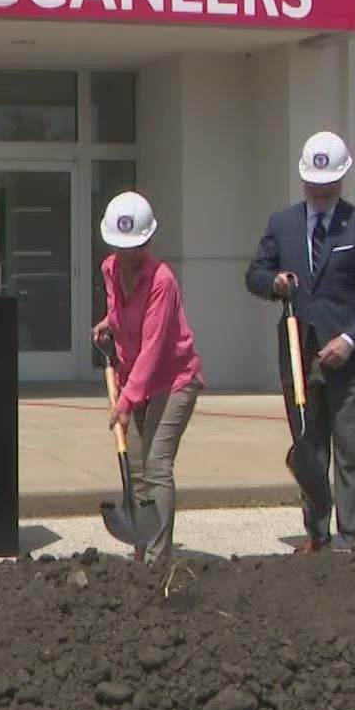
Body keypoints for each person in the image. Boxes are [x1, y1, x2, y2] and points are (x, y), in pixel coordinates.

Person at [244, 130, 355, 553]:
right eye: (313, 181)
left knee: (350, 448)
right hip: (299, 354)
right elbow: (255, 274)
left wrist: (350, 339)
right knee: (310, 447)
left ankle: (351, 536)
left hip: (350, 360)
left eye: (327, 182)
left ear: (342, 178)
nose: (319, 188)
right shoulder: (283, 224)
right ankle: (317, 534)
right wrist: (274, 282)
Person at [90, 190, 205, 567]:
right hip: (133, 377)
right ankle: (140, 550)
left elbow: (155, 347)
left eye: (134, 247)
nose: (126, 256)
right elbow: (125, 315)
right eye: (120, 247)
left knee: (157, 466)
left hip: (174, 380)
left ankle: (158, 558)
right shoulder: (109, 269)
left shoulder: (162, 281)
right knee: (135, 468)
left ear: (148, 241)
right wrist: (111, 323)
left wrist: (124, 403)